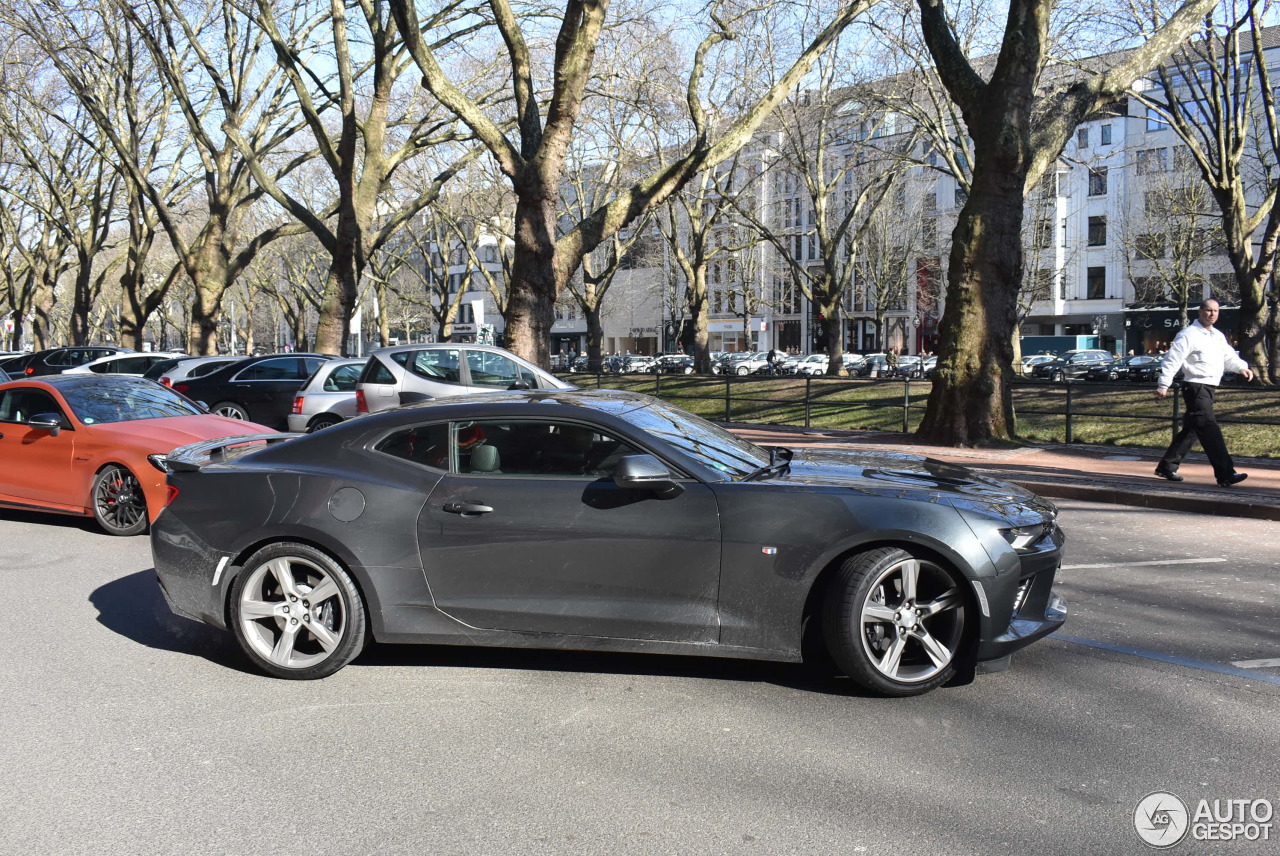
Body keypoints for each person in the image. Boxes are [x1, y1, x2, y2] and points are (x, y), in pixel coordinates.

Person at [1154, 299, 1253, 487]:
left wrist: (1241, 368)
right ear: (1200, 312)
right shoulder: (1188, 335)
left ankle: (1166, 467)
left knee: (1193, 430)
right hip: (1195, 387)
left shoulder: (1217, 336)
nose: (1212, 314)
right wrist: (1164, 383)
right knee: (1209, 428)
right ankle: (1226, 474)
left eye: (1216, 311)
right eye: (1208, 310)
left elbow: (1228, 356)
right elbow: (1172, 359)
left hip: (1208, 387)